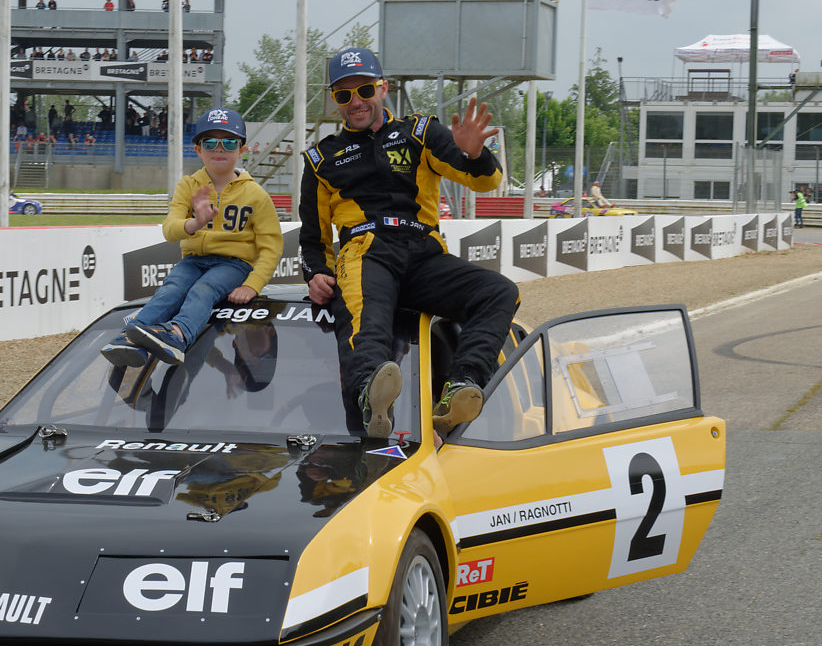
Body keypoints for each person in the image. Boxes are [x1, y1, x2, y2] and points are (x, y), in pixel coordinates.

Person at [300, 45, 517, 438]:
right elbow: (313, 237)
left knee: (500, 292)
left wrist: (475, 154)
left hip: (423, 252)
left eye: (364, 90)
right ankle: (371, 396)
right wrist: (315, 271)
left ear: (383, 88)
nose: (356, 102)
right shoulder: (320, 158)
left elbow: (485, 182)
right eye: (344, 95)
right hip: (366, 251)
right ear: (335, 100)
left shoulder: (420, 131)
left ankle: (461, 384)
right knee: (367, 324)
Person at [103, 107, 281, 367]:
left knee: (203, 290)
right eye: (210, 143)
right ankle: (131, 338)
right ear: (198, 149)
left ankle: (178, 335)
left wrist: (252, 285)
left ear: (242, 149)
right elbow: (169, 229)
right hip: (194, 260)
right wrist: (195, 222)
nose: (219, 149)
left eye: (229, 142)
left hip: (234, 264)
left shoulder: (256, 194)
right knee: (170, 290)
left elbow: (271, 247)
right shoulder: (188, 185)